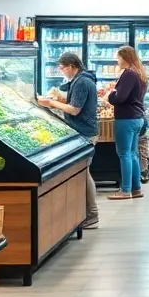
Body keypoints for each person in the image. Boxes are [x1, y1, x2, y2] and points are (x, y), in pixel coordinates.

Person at [38, 52, 101, 229]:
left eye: (63, 68)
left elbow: (74, 110)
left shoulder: (81, 81)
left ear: (72, 66)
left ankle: (92, 214)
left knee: (84, 172)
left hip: (84, 132)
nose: (62, 71)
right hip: (85, 131)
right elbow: (75, 102)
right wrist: (59, 99)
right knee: (82, 172)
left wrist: (50, 103)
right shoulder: (82, 80)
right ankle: (84, 213)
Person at [106, 46, 149, 201]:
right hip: (137, 118)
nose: (117, 61)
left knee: (124, 154)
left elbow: (120, 98)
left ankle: (125, 190)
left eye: (118, 58)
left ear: (125, 58)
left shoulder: (128, 74)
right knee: (132, 154)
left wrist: (111, 95)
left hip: (126, 118)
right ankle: (136, 188)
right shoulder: (139, 73)